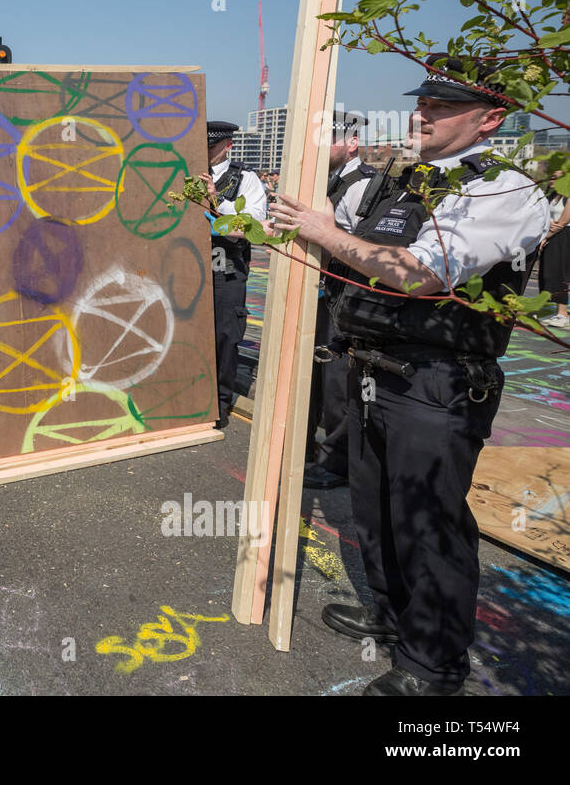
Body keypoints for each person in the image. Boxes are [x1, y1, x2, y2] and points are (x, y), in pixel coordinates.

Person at [268, 59, 549, 695]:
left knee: (428, 523)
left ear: (490, 119)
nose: (422, 114)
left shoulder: (500, 189)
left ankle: (432, 666)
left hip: (437, 380)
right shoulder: (405, 182)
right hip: (371, 369)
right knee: (378, 511)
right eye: (421, 103)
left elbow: (420, 273)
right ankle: (396, 620)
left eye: (441, 108)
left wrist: (325, 231)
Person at [303, 111, 379, 490]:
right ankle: (317, 450)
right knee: (317, 375)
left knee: (338, 380)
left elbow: (361, 249)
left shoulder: (362, 185)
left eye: (329, 139)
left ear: (351, 143)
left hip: (345, 294)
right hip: (323, 291)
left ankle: (338, 462)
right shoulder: (327, 181)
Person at [200, 121, 267, 429]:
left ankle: (219, 403)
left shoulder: (245, 178)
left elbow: (254, 225)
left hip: (225, 264)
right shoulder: (186, 171)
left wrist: (217, 200)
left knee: (225, 335)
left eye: (210, 148)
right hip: (190, 261)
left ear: (226, 145)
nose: (204, 153)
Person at [539, 184, 570, 328]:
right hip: (552, 236)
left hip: (563, 238)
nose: (552, 179)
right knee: (549, 274)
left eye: (556, 177)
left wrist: (546, 236)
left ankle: (563, 313)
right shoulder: (551, 195)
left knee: (559, 274)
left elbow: (563, 222)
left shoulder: (568, 196)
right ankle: (554, 311)